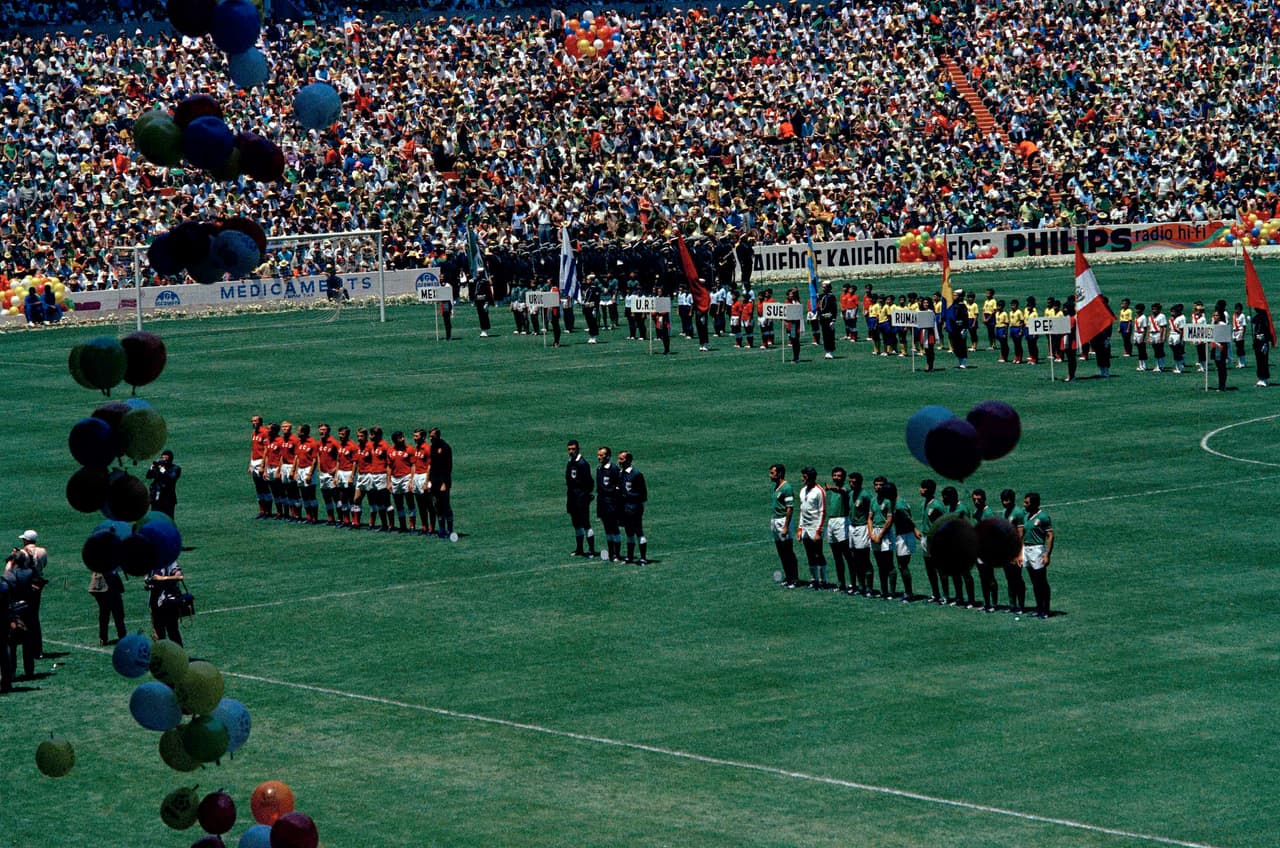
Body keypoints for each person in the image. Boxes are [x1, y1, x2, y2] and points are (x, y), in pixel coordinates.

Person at [5, 531, 48, 677]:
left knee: (11, 641)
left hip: (15, 605)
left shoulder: (11, 575)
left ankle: (11, 671)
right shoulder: (33, 566)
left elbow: (7, 580)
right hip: (31, 598)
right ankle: (32, 663)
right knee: (31, 628)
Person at [1022, 492, 1054, 619]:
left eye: (1027, 503)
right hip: (1026, 549)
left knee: (1041, 581)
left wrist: (1047, 554)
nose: (1024, 505)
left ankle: (1046, 610)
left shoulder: (1043, 517)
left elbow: (1050, 536)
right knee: (1034, 581)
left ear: (1034, 504)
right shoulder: (1025, 516)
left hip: (1037, 550)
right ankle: (1039, 608)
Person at [824, 467, 855, 593]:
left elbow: (842, 491)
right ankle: (841, 583)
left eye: (839, 476)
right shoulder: (833, 491)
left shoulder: (845, 490)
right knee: (837, 556)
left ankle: (853, 584)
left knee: (847, 555)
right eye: (835, 475)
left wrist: (831, 488)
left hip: (842, 522)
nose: (837, 477)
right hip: (831, 522)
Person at [769, 464, 799, 588]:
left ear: (780, 473)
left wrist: (786, 526)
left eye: (772, 473)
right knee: (781, 551)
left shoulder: (786, 488)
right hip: (775, 520)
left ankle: (794, 579)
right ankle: (788, 577)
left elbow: (790, 508)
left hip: (783, 521)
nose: (770, 475)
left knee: (788, 551)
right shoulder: (776, 487)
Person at [797, 467, 827, 589]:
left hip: (815, 527)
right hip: (805, 528)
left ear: (809, 477)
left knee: (818, 554)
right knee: (809, 554)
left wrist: (818, 531)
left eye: (803, 476)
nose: (801, 479)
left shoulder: (819, 491)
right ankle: (813, 579)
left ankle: (823, 580)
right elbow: (802, 511)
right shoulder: (803, 490)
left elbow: (822, 511)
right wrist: (800, 528)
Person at [565, 440, 596, 557]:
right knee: (576, 524)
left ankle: (592, 550)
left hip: (581, 498)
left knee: (585, 523)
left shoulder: (583, 463)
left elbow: (589, 482)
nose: (571, 451)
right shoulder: (571, 462)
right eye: (569, 449)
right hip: (572, 498)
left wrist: (586, 495)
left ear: (578, 449)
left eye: (573, 449)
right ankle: (579, 549)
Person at [971, 489, 1000, 612]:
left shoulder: (988, 513)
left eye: (979, 499)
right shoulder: (976, 512)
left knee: (990, 576)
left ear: (984, 499)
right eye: (974, 499)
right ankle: (987, 603)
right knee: (982, 577)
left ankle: (994, 603)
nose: (976, 502)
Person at [1000, 489, 1027, 614]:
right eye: (1003, 500)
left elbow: (1021, 534)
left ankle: (1021, 606)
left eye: (1007, 500)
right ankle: (1012, 605)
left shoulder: (1018, 512)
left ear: (1012, 499)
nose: (1004, 503)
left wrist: (1019, 554)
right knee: (1009, 578)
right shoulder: (1005, 512)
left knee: (1017, 578)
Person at [618, 451, 648, 564]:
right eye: (619, 459)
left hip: (634, 507)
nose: (619, 461)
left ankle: (643, 558)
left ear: (629, 460)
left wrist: (629, 496)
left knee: (638, 532)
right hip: (625, 508)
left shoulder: (636, 474)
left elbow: (643, 494)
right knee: (629, 532)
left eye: (622, 459)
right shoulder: (621, 473)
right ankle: (629, 557)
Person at [147, 559, 186, 645]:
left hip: (168, 603)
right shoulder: (151, 564)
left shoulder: (169, 561)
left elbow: (180, 576)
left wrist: (163, 578)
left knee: (173, 632)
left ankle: (179, 656)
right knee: (159, 635)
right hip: (155, 603)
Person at [596, 447, 625, 561]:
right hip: (602, 504)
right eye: (598, 455)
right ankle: (611, 553)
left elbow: (619, 487)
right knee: (607, 529)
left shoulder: (614, 469)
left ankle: (617, 554)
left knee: (614, 529)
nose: (599, 457)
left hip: (612, 504)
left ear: (607, 456)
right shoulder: (599, 469)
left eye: (601, 455)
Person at [88, 562, 126, 646]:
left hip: (114, 585)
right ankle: (103, 638)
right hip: (102, 587)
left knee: (119, 614)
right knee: (104, 614)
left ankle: (122, 636)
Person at [427, 427, 454, 538]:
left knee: (446, 506)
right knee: (437, 505)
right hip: (434, 481)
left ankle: (450, 530)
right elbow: (431, 465)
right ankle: (441, 530)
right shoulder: (432, 447)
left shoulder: (445, 447)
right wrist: (429, 480)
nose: (430, 438)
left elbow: (448, 467)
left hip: (443, 481)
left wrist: (445, 483)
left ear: (438, 435)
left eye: (432, 436)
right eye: (430, 436)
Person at [388, 431, 415, 532]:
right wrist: (388, 481)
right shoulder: (390, 450)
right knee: (398, 504)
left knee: (410, 502)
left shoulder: (410, 449)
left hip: (406, 477)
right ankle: (403, 526)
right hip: (395, 478)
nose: (403, 439)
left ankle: (412, 526)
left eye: (403, 437)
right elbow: (389, 467)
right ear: (395, 440)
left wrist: (411, 480)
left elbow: (413, 466)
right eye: (400, 438)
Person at [316, 423, 341, 525]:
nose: (322, 431)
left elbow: (341, 456)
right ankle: (330, 519)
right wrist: (319, 469)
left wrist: (335, 469)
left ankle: (340, 519)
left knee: (336, 497)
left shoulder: (334, 443)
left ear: (328, 431)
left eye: (324, 430)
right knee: (326, 497)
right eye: (320, 429)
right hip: (322, 474)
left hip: (331, 475)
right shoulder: (319, 443)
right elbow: (318, 456)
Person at [411, 428, 435, 535]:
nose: (414, 438)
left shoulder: (427, 448)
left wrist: (426, 482)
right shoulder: (416, 448)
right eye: (414, 436)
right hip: (416, 476)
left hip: (424, 476)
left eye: (416, 436)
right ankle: (424, 527)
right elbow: (414, 465)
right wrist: (411, 481)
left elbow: (430, 466)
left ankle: (432, 528)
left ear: (423, 437)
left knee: (429, 505)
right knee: (420, 505)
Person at [294, 426, 320, 523]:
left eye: (299, 431)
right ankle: (309, 517)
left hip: (308, 469)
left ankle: (315, 518)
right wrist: (296, 471)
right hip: (300, 469)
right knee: (304, 494)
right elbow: (297, 458)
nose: (297, 433)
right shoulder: (299, 442)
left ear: (304, 432)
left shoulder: (312, 443)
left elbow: (314, 460)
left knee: (311, 494)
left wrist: (310, 474)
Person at [146, 449, 182, 519]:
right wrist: (151, 468)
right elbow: (148, 476)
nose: (164, 460)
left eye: (166, 458)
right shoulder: (158, 468)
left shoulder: (175, 468)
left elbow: (172, 478)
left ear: (170, 458)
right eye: (163, 458)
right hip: (157, 497)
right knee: (155, 517)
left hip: (168, 498)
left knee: (168, 518)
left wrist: (163, 471)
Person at [250, 415, 272, 518]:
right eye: (252, 421)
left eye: (255, 421)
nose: (253, 423)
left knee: (264, 486)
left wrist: (263, 465)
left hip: (260, 462)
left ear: (260, 422)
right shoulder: (254, 433)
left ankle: (268, 511)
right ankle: (262, 511)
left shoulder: (264, 433)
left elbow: (266, 450)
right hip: (254, 462)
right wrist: (250, 463)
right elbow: (253, 449)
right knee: (258, 487)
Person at [1211, 301, 1231, 391]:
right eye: (1214, 315)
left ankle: (1222, 385)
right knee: (1218, 367)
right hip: (1215, 348)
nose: (1215, 317)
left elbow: (1225, 339)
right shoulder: (1213, 324)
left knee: (1222, 367)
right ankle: (1221, 385)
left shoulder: (1222, 325)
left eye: (1217, 315)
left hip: (1221, 348)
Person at [948, 288, 969, 368]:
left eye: (955, 295)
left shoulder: (962, 306)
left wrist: (964, 328)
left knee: (961, 345)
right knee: (955, 345)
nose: (953, 296)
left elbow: (965, 318)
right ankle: (960, 360)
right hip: (954, 328)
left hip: (960, 327)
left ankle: (963, 362)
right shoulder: (953, 305)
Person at [1253, 306, 1274, 387]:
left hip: (1263, 343)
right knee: (1259, 361)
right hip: (1257, 342)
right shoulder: (1258, 317)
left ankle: (1264, 378)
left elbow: (1267, 331)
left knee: (1263, 361)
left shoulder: (1265, 318)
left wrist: (1265, 341)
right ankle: (1260, 378)